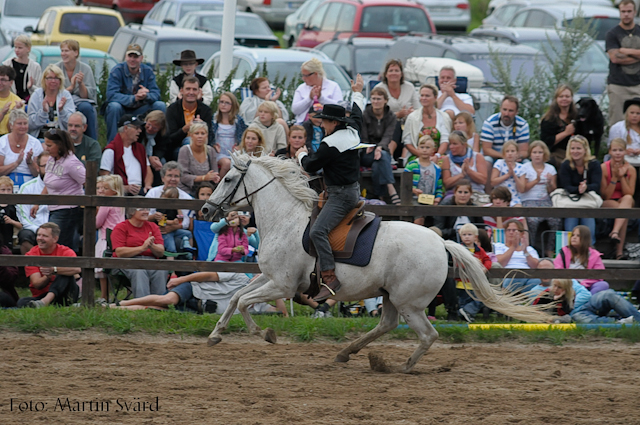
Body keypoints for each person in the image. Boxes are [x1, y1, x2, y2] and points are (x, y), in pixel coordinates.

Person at [296, 74, 364, 302]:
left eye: (324, 121)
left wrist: (301, 153)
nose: (322, 124)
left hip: (341, 196)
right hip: (351, 189)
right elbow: (358, 112)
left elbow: (310, 166)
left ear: (334, 123)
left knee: (317, 231)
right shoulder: (353, 130)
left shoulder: (330, 144)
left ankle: (329, 276)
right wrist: (357, 91)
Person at [31, 129, 86, 253]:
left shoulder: (72, 163)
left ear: (60, 145)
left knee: (59, 242)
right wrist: (37, 202)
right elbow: (49, 183)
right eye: (46, 144)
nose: (46, 148)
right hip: (54, 208)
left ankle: (68, 270)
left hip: (69, 209)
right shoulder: (51, 159)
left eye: (50, 145)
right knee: (56, 242)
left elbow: (88, 182)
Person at [110, 271, 253, 315]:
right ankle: (121, 302)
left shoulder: (256, 301)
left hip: (200, 308)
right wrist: (181, 280)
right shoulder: (241, 277)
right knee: (167, 300)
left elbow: (276, 310)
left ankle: (116, 309)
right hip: (193, 289)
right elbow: (208, 275)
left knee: (158, 309)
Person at [104, 43, 166, 143]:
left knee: (160, 105)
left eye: (136, 57)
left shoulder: (148, 71)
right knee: (114, 107)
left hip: (141, 109)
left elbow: (156, 94)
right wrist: (134, 98)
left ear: (141, 58)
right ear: (126, 57)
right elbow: (111, 95)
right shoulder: (116, 71)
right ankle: (112, 146)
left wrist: (146, 95)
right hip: (123, 109)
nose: (132, 59)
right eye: (130, 56)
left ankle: (158, 144)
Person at [515, 141, 561, 257]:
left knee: (555, 220)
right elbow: (523, 189)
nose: (537, 155)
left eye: (540, 152)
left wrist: (550, 183)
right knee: (532, 220)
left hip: (546, 200)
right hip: (529, 200)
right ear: (530, 154)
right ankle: (530, 248)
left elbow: (553, 190)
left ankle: (550, 249)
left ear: (544, 154)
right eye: (534, 152)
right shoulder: (525, 168)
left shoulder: (551, 169)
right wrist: (536, 180)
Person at [110, 204, 168, 298]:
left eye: (147, 209)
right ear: (132, 211)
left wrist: (151, 245)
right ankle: (142, 304)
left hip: (151, 260)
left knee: (161, 270)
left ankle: (158, 303)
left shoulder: (153, 226)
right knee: (139, 271)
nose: (146, 212)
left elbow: (161, 251)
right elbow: (119, 252)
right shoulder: (121, 227)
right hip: (127, 261)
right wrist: (142, 248)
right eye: (142, 209)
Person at [19, 222, 80, 308]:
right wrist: (47, 276)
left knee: (64, 273)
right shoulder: (31, 254)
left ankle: (45, 302)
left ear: (55, 239)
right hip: (41, 294)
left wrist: (54, 270)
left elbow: (77, 269)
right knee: (21, 302)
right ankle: (48, 303)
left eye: (44, 236)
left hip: (65, 294)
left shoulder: (66, 251)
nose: (40, 238)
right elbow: (37, 284)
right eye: (38, 235)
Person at [557, 135, 602, 243]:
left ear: (585, 150)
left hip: (588, 201)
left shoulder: (594, 164)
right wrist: (578, 189)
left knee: (587, 218)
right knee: (571, 219)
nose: (575, 151)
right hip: (571, 201)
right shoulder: (566, 165)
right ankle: (570, 251)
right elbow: (565, 186)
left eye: (578, 148)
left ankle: (589, 249)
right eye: (573, 148)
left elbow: (596, 185)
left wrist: (586, 188)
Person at [361, 87, 400, 204]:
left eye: (379, 99)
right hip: (367, 151)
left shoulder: (391, 116)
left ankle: (380, 197)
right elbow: (363, 136)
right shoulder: (365, 114)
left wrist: (380, 147)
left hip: (383, 150)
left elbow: (388, 136)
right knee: (381, 157)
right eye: (373, 98)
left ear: (385, 100)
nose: (376, 101)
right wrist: (371, 146)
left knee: (379, 161)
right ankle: (391, 189)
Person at [605, 0, 640, 126]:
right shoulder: (612, 34)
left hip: (638, 84)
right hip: (618, 85)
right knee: (617, 123)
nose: (626, 14)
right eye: (623, 12)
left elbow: (620, 54)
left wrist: (625, 50)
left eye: (629, 11)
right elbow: (615, 58)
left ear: (634, 12)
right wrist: (638, 55)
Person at [54, 39, 98, 140]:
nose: (63, 54)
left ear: (76, 52)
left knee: (87, 108)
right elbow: (53, 92)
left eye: (67, 51)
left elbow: (87, 96)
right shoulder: (56, 68)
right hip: (61, 101)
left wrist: (80, 83)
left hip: (80, 101)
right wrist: (71, 87)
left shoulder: (85, 69)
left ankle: (91, 142)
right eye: (62, 51)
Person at [600, 138, 636, 259]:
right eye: (614, 150)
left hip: (624, 201)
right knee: (623, 213)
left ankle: (615, 232)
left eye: (620, 150)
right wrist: (615, 178)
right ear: (610, 152)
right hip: (608, 202)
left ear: (625, 152)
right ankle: (619, 252)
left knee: (628, 199)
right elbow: (606, 195)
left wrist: (623, 177)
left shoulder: (631, 169)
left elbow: (629, 192)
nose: (617, 153)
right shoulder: (604, 168)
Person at [100, 114, 153, 196]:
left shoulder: (140, 149)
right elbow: (104, 177)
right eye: (136, 128)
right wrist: (124, 188)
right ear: (125, 128)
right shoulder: (110, 150)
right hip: (120, 194)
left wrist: (147, 185)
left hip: (140, 191)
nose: (140, 131)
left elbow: (148, 170)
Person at [146, 161, 193, 245]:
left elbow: (186, 221)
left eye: (176, 176)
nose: (173, 179)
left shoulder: (186, 197)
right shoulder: (153, 193)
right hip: (154, 229)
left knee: (183, 239)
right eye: (169, 175)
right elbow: (146, 215)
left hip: (176, 230)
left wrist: (172, 227)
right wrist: (155, 218)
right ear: (163, 178)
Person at [554, 225, 610, 294]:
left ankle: (587, 301)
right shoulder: (563, 252)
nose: (574, 237)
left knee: (603, 285)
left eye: (578, 236)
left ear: (585, 239)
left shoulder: (594, 255)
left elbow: (599, 275)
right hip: (568, 284)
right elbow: (558, 269)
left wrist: (583, 284)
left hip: (586, 286)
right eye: (573, 235)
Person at [95, 174, 125, 301]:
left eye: (106, 189)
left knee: (102, 269)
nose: (103, 191)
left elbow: (97, 223)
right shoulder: (121, 204)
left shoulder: (106, 204)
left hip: (105, 239)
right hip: (119, 238)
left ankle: (104, 296)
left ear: (114, 190)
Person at [403, 84, 451, 160]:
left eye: (427, 96)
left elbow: (445, 140)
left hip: (438, 156)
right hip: (417, 155)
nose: (424, 98)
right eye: (422, 95)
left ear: (435, 98)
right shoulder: (412, 117)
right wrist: (422, 155)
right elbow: (408, 142)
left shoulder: (444, 117)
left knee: (444, 163)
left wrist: (436, 156)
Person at [456, 223, 493, 323]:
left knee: (480, 299)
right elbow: (458, 262)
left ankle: (467, 312)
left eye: (469, 234)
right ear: (460, 236)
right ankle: (466, 313)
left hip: (476, 283)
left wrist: (485, 268)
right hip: (463, 283)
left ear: (475, 237)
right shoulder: (459, 249)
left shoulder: (479, 250)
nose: (467, 237)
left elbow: (488, 260)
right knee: (464, 302)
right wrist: (473, 267)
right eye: (464, 235)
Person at [27, 64, 75, 138]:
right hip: (40, 137)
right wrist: (43, 112)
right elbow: (30, 124)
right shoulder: (36, 95)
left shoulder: (65, 95)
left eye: (56, 78)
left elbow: (71, 123)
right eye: (49, 78)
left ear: (61, 80)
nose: (53, 81)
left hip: (61, 137)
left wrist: (62, 111)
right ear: (44, 80)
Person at [494, 218, 540, 293]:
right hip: (507, 275)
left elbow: (535, 266)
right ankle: (506, 293)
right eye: (509, 230)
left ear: (522, 234)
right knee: (518, 274)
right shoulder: (499, 246)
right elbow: (500, 263)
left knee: (537, 280)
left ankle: (519, 298)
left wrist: (525, 251)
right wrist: (513, 247)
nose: (511, 233)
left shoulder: (529, 249)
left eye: (514, 230)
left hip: (527, 276)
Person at [16, 152, 49, 254]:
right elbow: (23, 216)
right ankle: (32, 267)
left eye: (52, 166)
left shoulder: (64, 187)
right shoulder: (27, 187)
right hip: (34, 227)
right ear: (38, 168)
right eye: (45, 166)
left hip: (57, 227)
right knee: (24, 235)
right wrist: (39, 230)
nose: (49, 169)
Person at [166, 76, 213, 148]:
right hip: (177, 148)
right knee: (189, 141)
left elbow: (210, 137)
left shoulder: (206, 110)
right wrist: (185, 129)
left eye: (194, 89)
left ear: (199, 92)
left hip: (201, 148)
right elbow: (169, 139)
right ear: (181, 91)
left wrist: (203, 127)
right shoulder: (172, 109)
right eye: (188, 89)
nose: (191, 92)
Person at [292, 58, 343, 124]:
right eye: (303, 75)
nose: (303, 78)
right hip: (304, 124)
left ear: (315, 74)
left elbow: (339, 108)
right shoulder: (301, 88)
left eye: (306, 75)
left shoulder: (333, 86)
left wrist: (321, 98)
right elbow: (295, 110)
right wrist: (309, 98)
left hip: (328, 123)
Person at [404, 136, 443, 221]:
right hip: (415, 199)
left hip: (430, 199)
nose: (424, 150)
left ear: (433, 150)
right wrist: (414, 190)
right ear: (418, 148)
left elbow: (439, 187)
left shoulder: (437, 168)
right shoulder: (412, 165)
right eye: (422, 147)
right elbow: (405, 184)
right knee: (419, 219)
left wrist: (438, 197)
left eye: (427, 147)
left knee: (437, 218)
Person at [481, 96, 530, 163]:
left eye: (510, 111)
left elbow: (524, 151)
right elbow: (486, 149)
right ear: (500, 109)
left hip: (514, 158)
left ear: (516, 112)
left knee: (526, 162)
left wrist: (518, 156)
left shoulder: (523, 125)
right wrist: (504, 156)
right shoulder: (489, 123)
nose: (506, 114)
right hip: (495, 157)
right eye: (504, 110)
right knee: (487, 160)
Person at [0, 109, 42, 187]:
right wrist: (16, 164)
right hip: (5, 183)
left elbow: (38, 174)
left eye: (25, 123)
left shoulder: (35, 143)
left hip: (29, 182)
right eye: (19, 124)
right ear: (11, 125)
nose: (23, 126)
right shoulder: (2, 142)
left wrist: (30, 162)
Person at [540, 84, 578, 167]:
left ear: (571, 98)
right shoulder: (549, 119)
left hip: (576, 152)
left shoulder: (577, 116)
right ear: (556, 99)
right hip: (556, 154)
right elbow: (545, 142)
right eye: (561, 96)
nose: (564, 99)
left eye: (567, 96)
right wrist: (565, 133)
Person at [178, 121, 219, 195]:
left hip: (206, 191)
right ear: (191, 135)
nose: (200, 136)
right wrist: (204, 178)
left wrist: (215, 177)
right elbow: (183, 177)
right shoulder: (185, 150)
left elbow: (215, 172)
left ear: (206, 135)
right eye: (197, 133)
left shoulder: (211, 151)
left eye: (203, 133)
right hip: (187, 190)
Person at [211, 92, 246, 178]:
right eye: (221, 102)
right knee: (227, 164)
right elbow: (209, 138)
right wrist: (213, 146)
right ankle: (219, 186)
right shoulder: (214, 120)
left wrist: (240, 146)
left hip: (234, 151)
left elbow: (244, 136)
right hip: (219, 152)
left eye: (227, 103)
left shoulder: (238, 120)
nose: (223, 105)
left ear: (232, 105)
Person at [441, 130, 487, 196]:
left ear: (464, 145)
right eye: (450, 144)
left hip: (476, 193)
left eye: (454, 144)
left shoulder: (477, 157)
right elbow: (447, 184)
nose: (451, 147)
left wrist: (469, 171)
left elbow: (483, 180)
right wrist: (461, 175)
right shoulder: (446, 159)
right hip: (455, 195)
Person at [156, 186, 196, 256]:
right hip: (165, 231)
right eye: (168, 197)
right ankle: (171, 263)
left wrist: (178, 208)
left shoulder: (174, 208)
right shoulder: (161, 207)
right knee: (171, 249)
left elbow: (181, 220)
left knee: (188, 234)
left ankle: (189, 250)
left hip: (174, 230)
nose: (169, 201)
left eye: (173, 199)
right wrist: (172, 222)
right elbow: (161, 221)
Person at [2, 35, 41, 103]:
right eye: (15, 47)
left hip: (29, 103)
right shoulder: (7, 64)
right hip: (10, 102)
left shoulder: (35, 67)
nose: (17, 50)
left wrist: (31, 87)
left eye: (20, 48)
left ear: (28, 49)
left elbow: (40, 89)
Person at [139, 110, 172, 185]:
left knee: (161, 163)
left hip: (154, 154)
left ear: (160, 128)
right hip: (140, 154)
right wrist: (148, 157)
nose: (150, 128)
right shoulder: (139, 128)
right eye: (149, 125)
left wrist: (155, 157)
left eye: (154, 128)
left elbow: (162, 149)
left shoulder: (164, 134)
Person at [491, 140, 524, 206]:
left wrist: (514, 175)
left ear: (517, 153)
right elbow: (493, 182)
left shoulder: (521, 167)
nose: (510, 153)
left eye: (512, 151)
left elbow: (522, 189)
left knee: (519, 209)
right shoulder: (499, 163)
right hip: (499, 197)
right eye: (507, 151)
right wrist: (508, 175)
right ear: (503, 153)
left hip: (514, 198)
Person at [608, 97, 640, 163]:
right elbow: (611, 147)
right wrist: (624, 151)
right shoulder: (617, 127)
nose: (634, 116)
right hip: (623, 161)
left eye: (638, 113)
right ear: (627, 113)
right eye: (632, 113)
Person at [0, 65, 24, 137]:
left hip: (8, 137)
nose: (0, 82)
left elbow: (12, 131)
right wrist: (3, 113)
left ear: (11, 83)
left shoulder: (17, 101)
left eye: (3, 80)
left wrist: (14, 113)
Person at [0, 177, 22, 250]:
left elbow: (20, 225)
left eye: (9, 190)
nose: (6, 192)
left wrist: (11, 221)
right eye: (3, 190)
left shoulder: (13, 207)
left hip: (8, 237)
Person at [0, 233, 18, 307]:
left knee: (3, 297)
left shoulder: (4, 252)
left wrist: (1, 265)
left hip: (3, 292)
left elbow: (12, 277)